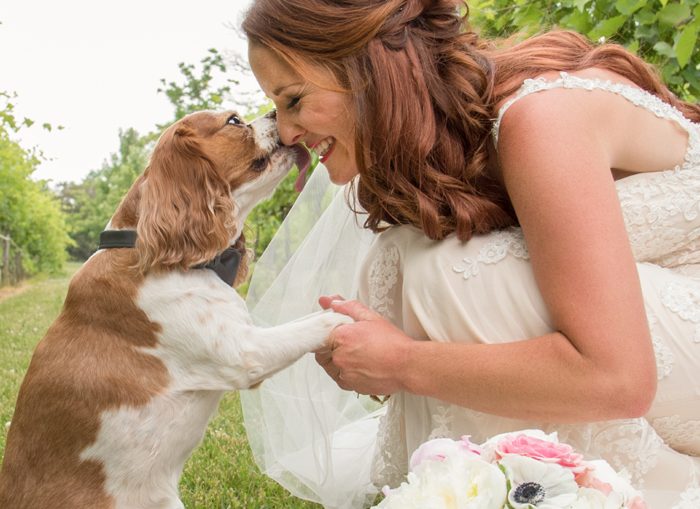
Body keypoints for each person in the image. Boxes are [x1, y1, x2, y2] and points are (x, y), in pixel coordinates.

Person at [240, 1, 700, 508]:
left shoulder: (539, 118)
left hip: (655, 342)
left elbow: (619, 379)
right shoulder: (452, 142)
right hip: (655, 352)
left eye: (294, 99)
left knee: (454, 274)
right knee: (408, 255)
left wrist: (405, 362)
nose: (285, 132)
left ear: (367, 68)